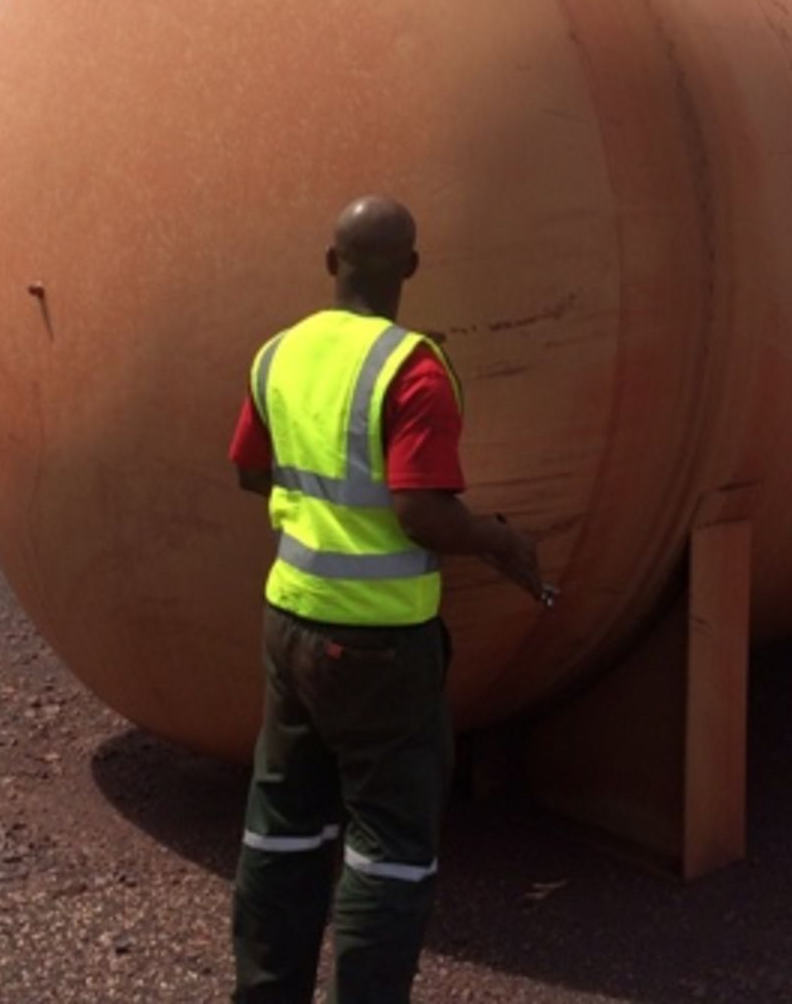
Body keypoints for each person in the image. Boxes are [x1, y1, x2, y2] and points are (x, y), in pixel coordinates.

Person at [227, 195, 547, 1004]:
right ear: (411, 268)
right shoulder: (413, 368)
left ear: (330, 263)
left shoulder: (278, 354)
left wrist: (318, 509)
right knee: (389, 848)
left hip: (288, 624)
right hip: (381, 645)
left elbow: (249, 472)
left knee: (283, 829)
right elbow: (420, 511)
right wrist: (502, 542)